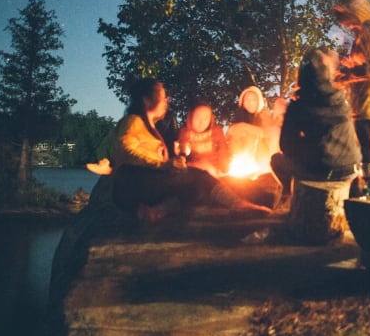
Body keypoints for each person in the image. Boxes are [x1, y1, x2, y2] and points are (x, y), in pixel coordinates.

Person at [111, 78, 271, 226]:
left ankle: (155, 212)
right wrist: (163, 164)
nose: (167, 101)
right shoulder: (133, 121)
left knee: (197, 188)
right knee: (200, 177)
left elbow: (222, 154)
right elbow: (125, 150)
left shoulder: (152, 126)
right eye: (163, 96)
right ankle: (238, 204)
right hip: (135, 182)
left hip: (148, 181)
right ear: (147, 101)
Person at [272, 48, 361, 185]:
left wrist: (308, 148)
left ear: (302, 73)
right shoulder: (341, 98)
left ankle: (290, 194)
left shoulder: (299, 105)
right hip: (350, 167)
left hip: (322, 171)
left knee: (277, 159)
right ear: (326, 72)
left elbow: (286, 145)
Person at [332, 0, 370, 177]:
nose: (344, 25)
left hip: (368, 105)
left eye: (345, 18)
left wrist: (346, 76)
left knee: (367, 155)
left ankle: (369, 195)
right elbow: (365, 63)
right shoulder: (363, 33)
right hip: (362, 104)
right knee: (365, 152)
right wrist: (350, 64)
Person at [176, 101, 230, 178]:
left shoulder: (216, 131)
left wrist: (224, 170)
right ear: (191, 117)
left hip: (215, 173)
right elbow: (182, 157)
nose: (201, 122)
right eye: (198, 117)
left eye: (206, 118)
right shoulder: (185, 133)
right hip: (194, 174)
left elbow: (223, 152)